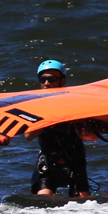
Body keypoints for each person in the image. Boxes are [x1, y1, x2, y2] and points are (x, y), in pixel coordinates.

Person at [28, 60, 91, 198]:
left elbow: (88, 135)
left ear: (62, 81)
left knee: (84, 203)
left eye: (51, 79)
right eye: (43, 79)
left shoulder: (74, 103)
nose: (46, 83)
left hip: (75, 160)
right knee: (43, 201)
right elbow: (29, 135)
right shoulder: (35, 105)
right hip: (48, 161)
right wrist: (47, 116)